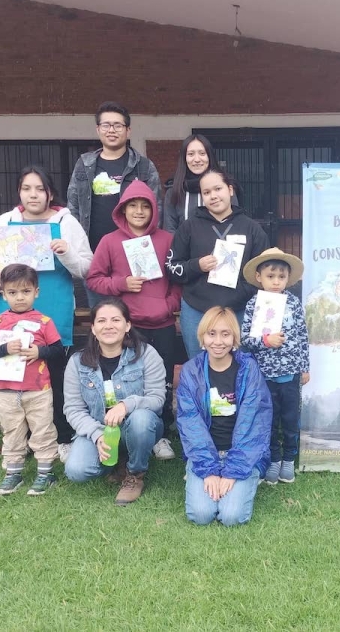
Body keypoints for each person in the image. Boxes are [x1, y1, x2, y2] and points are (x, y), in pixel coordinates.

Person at [0, 165, 93, 462]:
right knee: (14, 374)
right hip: (10, 315)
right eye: (27, 188)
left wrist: (66, 252)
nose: (33, 194)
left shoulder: (66, 222)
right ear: (19, 192)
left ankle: (61, 434)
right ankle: (22, 440)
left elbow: (86, 268)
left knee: (53, 376)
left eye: (39, 189)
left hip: (52, 311)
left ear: (50, 193)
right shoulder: (7, 221)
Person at [86, 178, 182, 461]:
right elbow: (94, 279)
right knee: (130, 380)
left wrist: (168, 305)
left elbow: (178, 282)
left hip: (162, 324)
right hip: (128, 327)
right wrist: (121, 284)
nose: (139, 211)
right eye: (133, 206)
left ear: (154, 210)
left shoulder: (167, 240)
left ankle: (160, 434)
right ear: (122, 210)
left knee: (161, 381)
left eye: (145, 206)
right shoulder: (109, 241)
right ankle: (130, 430)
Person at [62, 298, 166, 506]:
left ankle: (134, 473)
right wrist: (96, 434)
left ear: (127, 325)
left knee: (141, 420)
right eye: (101, 321)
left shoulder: (146, 354)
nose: (108, 326)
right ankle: (116, 462)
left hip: (135, 426)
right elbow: (73, 409)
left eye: (116, 320)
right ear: (93, 328)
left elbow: (157, 399)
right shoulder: (77, 362)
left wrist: (126, 405)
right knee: (77, 471)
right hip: (100, 429)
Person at [176, 307, 272, 526]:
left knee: (231, 516)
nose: (218, 341)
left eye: (225, 334)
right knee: (201, 515)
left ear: (234, 338)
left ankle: (249, 477)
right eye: (211, 333)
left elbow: (255, 424)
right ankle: (197, 472)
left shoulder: (248, 370)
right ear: (202, 337)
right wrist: (208, 471)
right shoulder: (192, 371)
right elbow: (189, 422)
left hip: (242, 453)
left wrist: (233, 471)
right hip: (204, 453)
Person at [0, 264, 63, 496]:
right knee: (12, 432)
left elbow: (58, 352)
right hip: (6, 391)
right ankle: (13, 474)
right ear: (3, 294)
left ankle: (46, 473)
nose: (19, 297)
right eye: (12, 293)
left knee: (43, 429)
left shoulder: (45, 322)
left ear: (37, 292)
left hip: (38, 390)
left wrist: (39, 352)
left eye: (25, 291)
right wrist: (3, 348)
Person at [167, 169, 270, 359]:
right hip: (197, 310)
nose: (213, 196)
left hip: (239, 310)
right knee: (200, 367)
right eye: (206, 192)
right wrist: (197, 265)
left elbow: (264, 273)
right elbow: (172, 268)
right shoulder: (189, 227)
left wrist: (242, 293)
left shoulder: (251, 228)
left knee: (241, 367)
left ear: (230, 190)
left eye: (218, 189)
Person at [66, 101, 161, 306]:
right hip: (96, 254)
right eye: (106, 125)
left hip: (134, 254)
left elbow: (156, 209)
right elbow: (73, 207)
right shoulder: (84, 164)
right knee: (103, 318)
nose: (112, 130)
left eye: (118, 125)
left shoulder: (143, 166)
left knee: (137, 316)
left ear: (128, 131)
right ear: (98, 129)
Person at [240, 248, 310, 484]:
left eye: (281, 277)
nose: (276, 281)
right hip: (264, 375)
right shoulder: (253, 305)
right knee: (268, 420)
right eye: (271, 276)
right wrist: (265, 341)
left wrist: (304, 367)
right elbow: (244, 342)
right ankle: (273, 459)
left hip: (290, 374)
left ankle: (289, 458)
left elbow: (302, 336)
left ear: (288, 279)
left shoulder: (294, 303)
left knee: (290, 418)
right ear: (259, 277)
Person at [162, 134, 222, 233]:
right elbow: (170, 230)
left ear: (210, 156)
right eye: (191, 154)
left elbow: (233, 224)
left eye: (202, 153)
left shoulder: (223, 188)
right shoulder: (174, 190)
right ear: (184, 159)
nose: (197, 159)